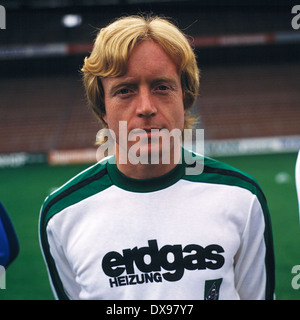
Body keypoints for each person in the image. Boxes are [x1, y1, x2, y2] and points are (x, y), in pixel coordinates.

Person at [39, 14, 275, 300]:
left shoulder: (242, 198)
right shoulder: (62, 215)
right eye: (125, 90)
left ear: (185, 98)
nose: (146, 107)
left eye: (162, 87)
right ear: (103, 109)